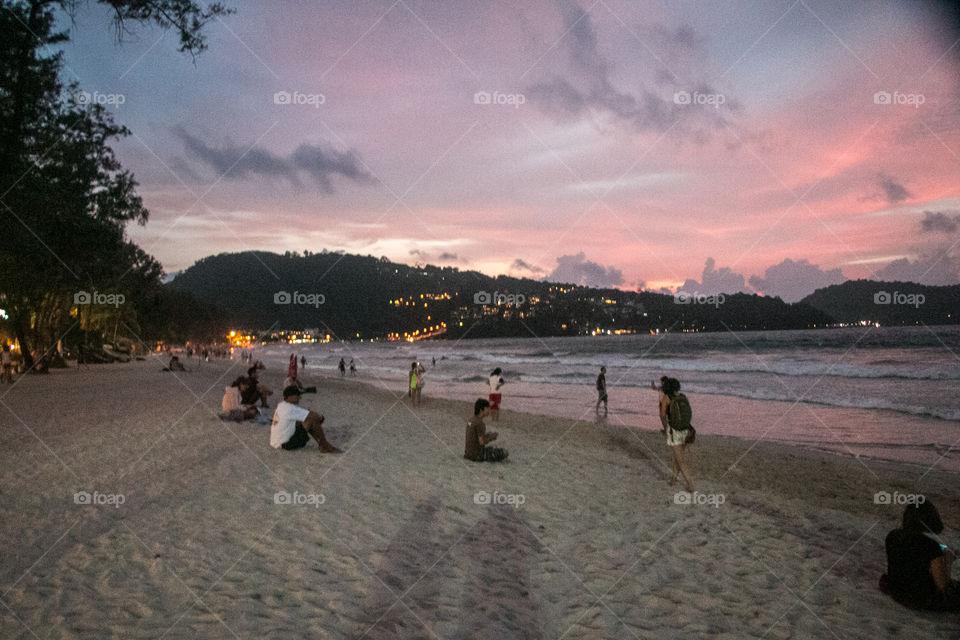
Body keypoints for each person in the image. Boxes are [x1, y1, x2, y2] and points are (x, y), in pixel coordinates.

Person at [884, 500, 960, 612]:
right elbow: (943, 585)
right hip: (920, 599)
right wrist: (948, 561)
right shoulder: (930, 546)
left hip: (897, 590)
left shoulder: (893, 536)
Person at [270, 386, 341, 453]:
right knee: (311, 419)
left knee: (307, 419)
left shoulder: (281, 406)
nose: (300, 397)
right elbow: (315, 416)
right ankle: (325, 445)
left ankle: (322, 444)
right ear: (290, 396)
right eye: (297, 395)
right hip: (286, 444)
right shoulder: (290, 408)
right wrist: (320, 418)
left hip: (280, 441)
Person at [661, 377, 694, 492]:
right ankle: (674, 479)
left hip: (674, 431)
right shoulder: (683, 396)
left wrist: (665, 427)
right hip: (685, 430)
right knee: (676, 456)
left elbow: (662, 415)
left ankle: (689, 483)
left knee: (680, 459)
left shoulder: (666, 397)